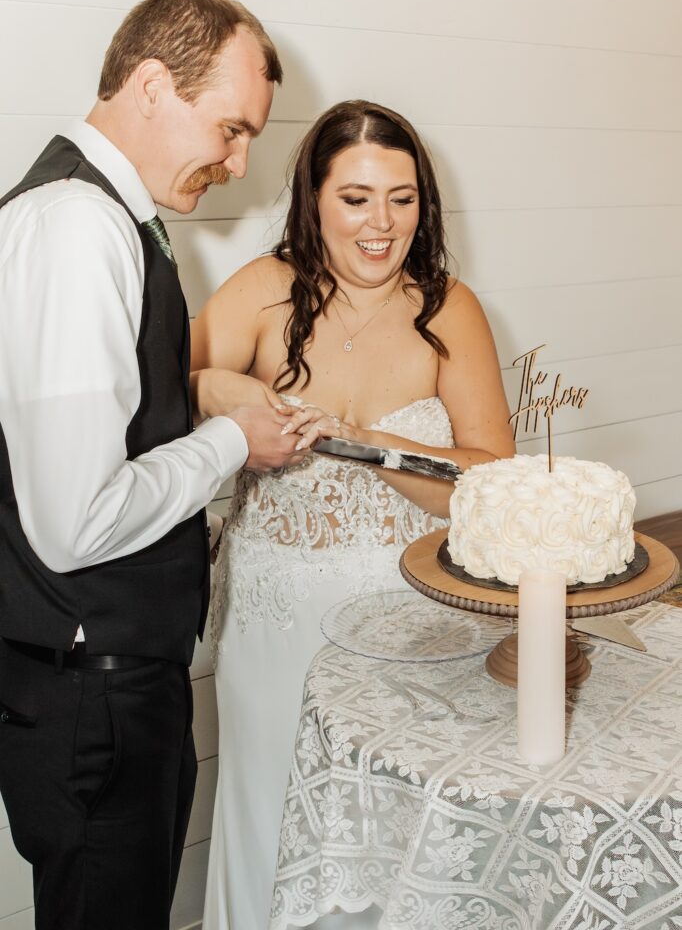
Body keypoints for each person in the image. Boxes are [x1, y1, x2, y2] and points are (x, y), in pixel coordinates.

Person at [0, 0, 304, 930]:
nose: (238, 161)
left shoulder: (101, 220)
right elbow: (74, 519)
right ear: (149, 84)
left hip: (107, 684)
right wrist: (229, 443)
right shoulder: (77, 227)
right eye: (230, 128)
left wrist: (201, 400)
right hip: (94, 696)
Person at [191, 99, 516, 929]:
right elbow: (161, 386)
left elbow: (488, 480)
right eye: (357, 197)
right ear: (314, 199)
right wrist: (218, 389)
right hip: (274, 622)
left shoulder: (449, 308)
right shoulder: (267, 291)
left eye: (402, 199)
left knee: (398, 838)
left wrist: (368, 443)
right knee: (275, 809)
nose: (382, 224)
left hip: (411, 624)